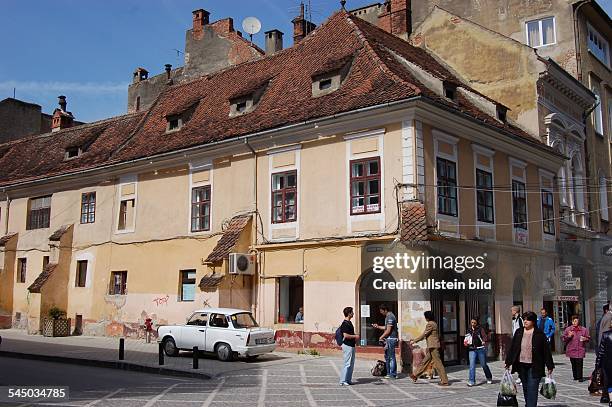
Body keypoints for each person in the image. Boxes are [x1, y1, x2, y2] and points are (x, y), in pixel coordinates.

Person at [505, 311, 554, 407]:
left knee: (532, 388)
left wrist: (550, 365)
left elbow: (546, 351)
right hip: (521, 365)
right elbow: (513, 348)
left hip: (535, 365)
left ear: (533, 321)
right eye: (524, 319)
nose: (525, 321)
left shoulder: (539, 334)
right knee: (526, 388)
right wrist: (508, 362)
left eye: (528, 319)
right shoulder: (519, 332)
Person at [409, 310, 449, 386]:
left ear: (427, 317)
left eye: (425, 317)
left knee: (438, 363)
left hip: (433, 346)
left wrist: (414, 341)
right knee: (425, 361)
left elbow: (424, 334)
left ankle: (444, 381)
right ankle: (415, 375)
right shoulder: (434, 323)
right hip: (432, 346)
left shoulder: (430, 324)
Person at [465, 316, 493, 386]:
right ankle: (472, 381)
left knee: (483, 364)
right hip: (472, 349)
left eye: (474, 323)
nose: (472, 324)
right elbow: (467, 337)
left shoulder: (480, 329)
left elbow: (485, 337)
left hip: (480, 348)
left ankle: (489, 377)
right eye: (472, 322)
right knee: (472, 365)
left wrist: (484, 341)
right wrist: (466, 342)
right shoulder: (469, 329)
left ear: (477, 323)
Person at [372, 304, 398, 379]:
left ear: (385, 310)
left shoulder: (390, 317)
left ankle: (392, 374)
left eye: (381, 311)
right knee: (387, 356)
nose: (381, 313)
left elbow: (388, 330)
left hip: (391, 339)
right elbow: (386, 328)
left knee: (391, 357)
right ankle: (389, 373)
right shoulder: (388, 316)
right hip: (388, 339)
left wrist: (381, 337)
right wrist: (378, 326)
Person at [561, 315, 590, 382]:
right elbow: (563, 339)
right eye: (573, 321)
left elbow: (588, 338)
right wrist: (569, 336)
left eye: (576, 321)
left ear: (578, 321)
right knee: (573, 364)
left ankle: (580, 377)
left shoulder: (584, 329)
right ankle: (575, 376)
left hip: (580, 349)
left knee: (579, 363)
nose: (574, 322)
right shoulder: (568, 329)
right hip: (571, 349)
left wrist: (585, 339)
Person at [339, 307, 359, 386]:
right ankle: (343, 380)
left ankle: (348, 379)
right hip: (347, 345)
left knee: (351, 363)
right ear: (349, 313)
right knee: (347, 363)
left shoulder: (349, 323)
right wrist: (355, 336)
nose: (353, 313)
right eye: (352, 312)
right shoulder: (345, 323)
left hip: (351, 345)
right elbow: (346, 335)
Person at [597, 319, 612, 406]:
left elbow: (601, 352)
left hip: (608, 364)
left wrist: (597, 365)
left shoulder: (606, 335)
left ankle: (611, 400)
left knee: (609, 383)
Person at [511, 306, 523, 384]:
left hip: (521, 342)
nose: (511, 312)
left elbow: (522, 330)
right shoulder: (514, 320)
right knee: (517, 360)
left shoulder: (520, 319)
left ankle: (522, 376)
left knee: (521, 360)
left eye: (512, 310)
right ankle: (520, 375)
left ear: (515, 311)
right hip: (516, 342)